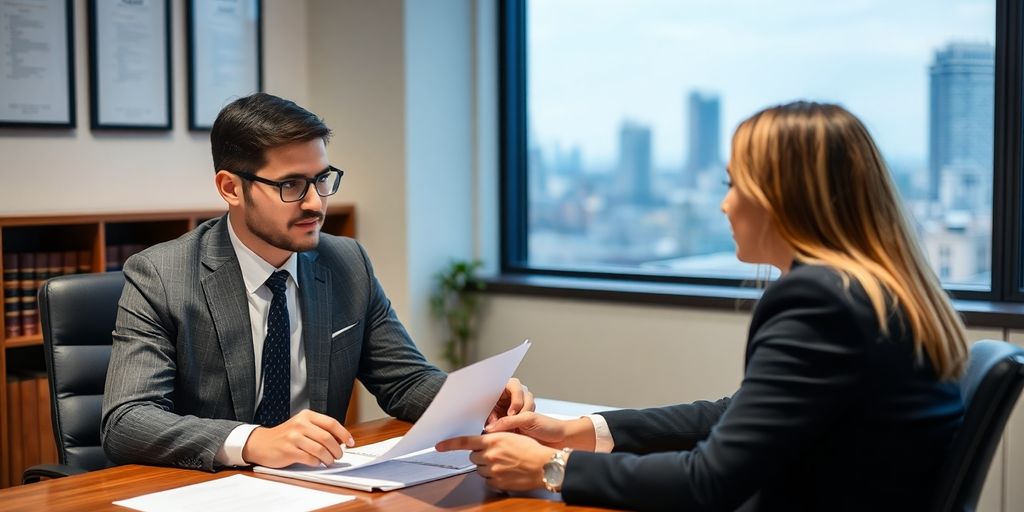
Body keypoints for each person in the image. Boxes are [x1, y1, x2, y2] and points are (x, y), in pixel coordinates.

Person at [437, 102, 968, 510]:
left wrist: (552, 467)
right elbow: (734, 414)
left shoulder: (819, 301)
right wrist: (578, 431)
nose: (724, 203)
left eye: (735, 184)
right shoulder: (878, 292)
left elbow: (709, 481)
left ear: (783, 198)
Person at [101, 92, 533, 471]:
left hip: (318, 485)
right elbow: (127, 420)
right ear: (231, 188)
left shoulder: (346, 262)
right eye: (291, 184)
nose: (315, 203)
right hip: (205, 489)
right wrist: (252, 441)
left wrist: (475, 400)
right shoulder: (161, 275)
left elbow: (404, 380)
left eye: (321, 180)